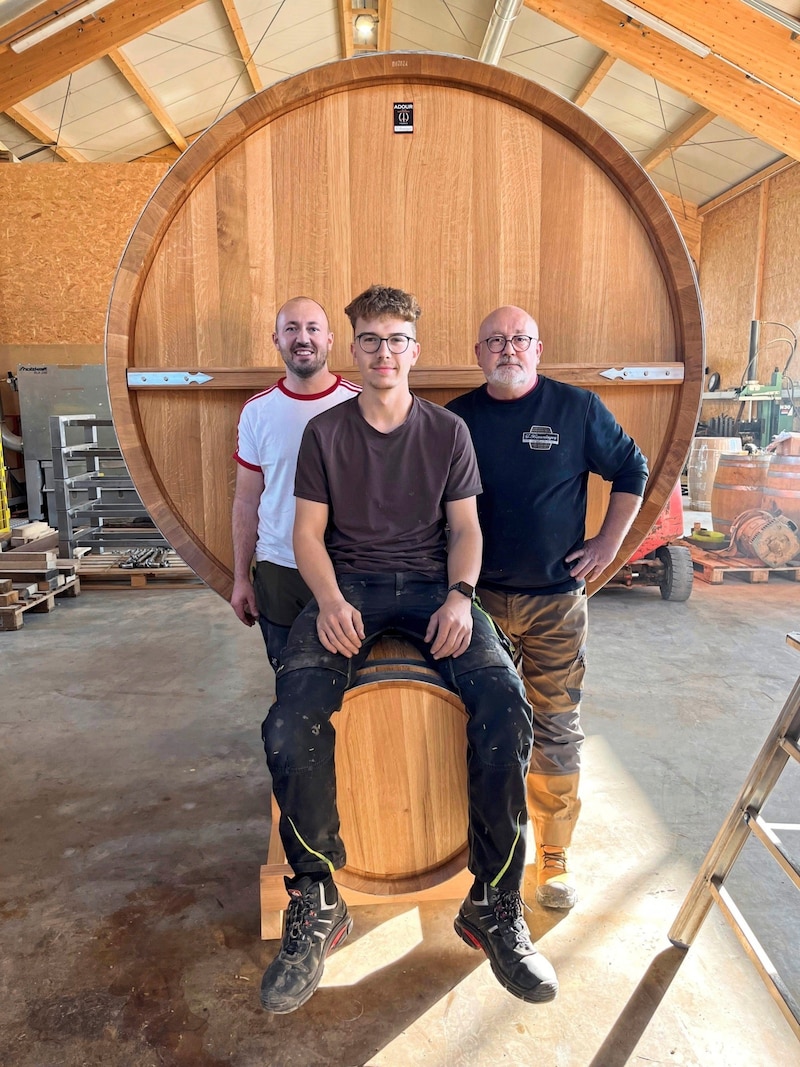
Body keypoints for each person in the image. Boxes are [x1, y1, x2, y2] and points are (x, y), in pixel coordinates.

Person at [259, 285, 558, 1014]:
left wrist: (460, 595)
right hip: (350, 585)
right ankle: (318, 898)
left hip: (432, 586)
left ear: (415, 352)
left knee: (507, 706)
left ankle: (491, 901)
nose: (384, 352)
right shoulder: (325, 433)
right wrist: (329, 601)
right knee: (289, 724)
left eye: (397, 340)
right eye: (371, 339)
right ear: (353, 350)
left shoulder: (446, 433)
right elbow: (306, 534)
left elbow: (466, 528)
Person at [447, 306, 648, 911]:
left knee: (555, 724)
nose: (508, 350)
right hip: (475, 603)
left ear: (539, 349)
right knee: (477, 724)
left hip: (555, 603)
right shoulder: (453, 419)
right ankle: (483, 846)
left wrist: (609, 543)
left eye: (520, 340)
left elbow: (631, 468)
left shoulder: (577, 409)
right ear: (478, 353)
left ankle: (554, 856)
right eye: (496, 341)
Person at [230, 297, 359, 670]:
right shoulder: (257, 411)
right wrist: (241, 577)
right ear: (276, 339)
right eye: (291, 329)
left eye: (313, 329)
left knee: (350, 684)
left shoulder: (360, 405)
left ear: (331, 339)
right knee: (289, 679)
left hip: (347, 567)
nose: (303, 338)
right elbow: (246, 500)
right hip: (279, 571)